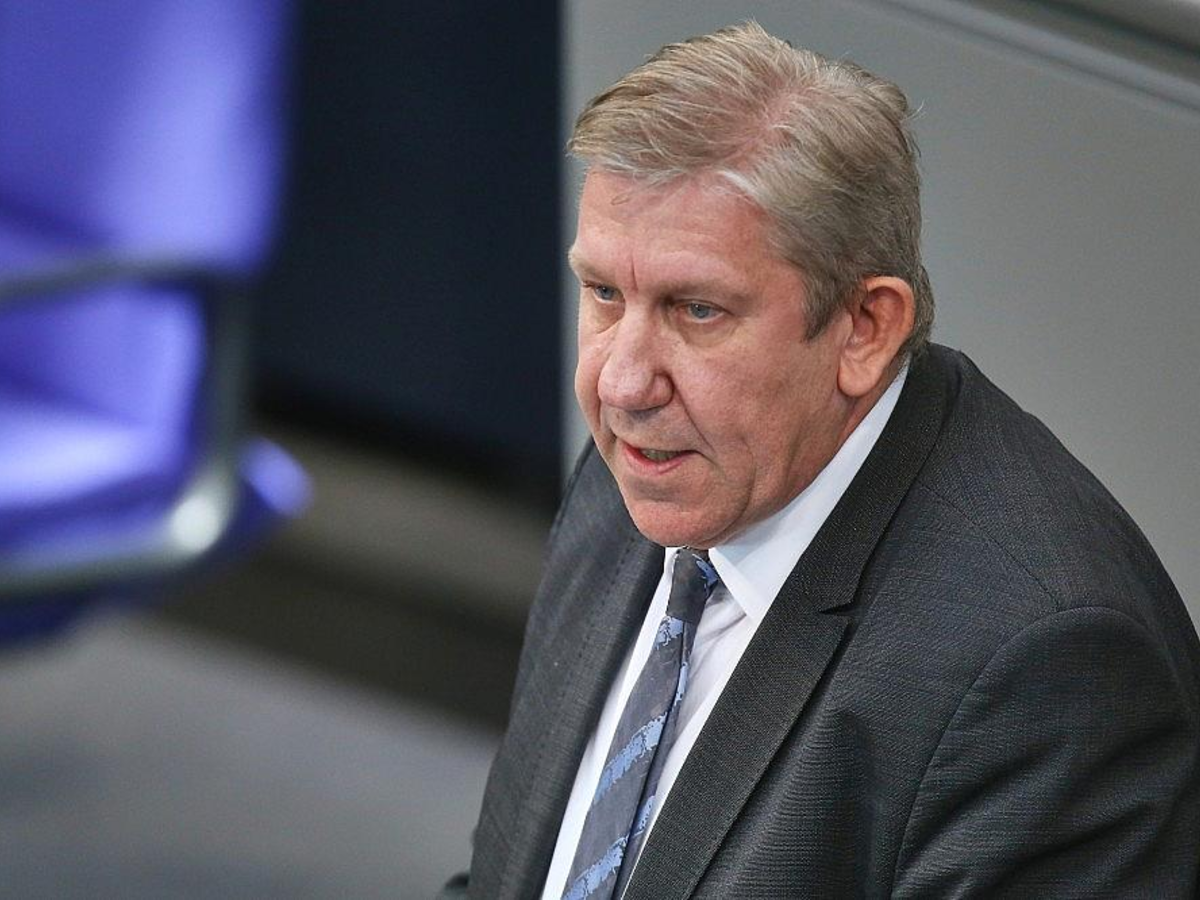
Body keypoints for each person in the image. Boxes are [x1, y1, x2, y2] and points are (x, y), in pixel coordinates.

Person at [444, 21, 1200, 899]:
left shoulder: (1046, 667)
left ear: (865, 329)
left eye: (697, 310)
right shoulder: (657, 464)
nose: (621, 382)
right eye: (604, 292)